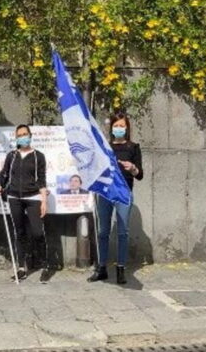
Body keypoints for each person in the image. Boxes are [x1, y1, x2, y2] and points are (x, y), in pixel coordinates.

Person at [87, 112, 143, 284]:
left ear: (127, 128)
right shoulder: (106, 148)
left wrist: (133, 168)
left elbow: (140, 174)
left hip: (124, 194)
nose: (119, 129)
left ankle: (121, 268)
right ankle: (102, 267)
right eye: (116, 125)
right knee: (103, 231)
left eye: (122, 126)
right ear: (111, 128)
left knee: (122, 232)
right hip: (105, 193)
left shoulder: (133, 147)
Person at [0, 125, 51, 283]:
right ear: (16, 138)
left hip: (33, 197)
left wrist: (44, 201)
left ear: (30, 135)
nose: (23, 137)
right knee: (19, 233)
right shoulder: (11, 156)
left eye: (25, 134)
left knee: (37, 232)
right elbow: (4, 174)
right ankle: (21, 268)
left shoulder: (38, 156)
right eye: (19, 135)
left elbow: (41, 179)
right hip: (14, 197)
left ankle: (45, 265)